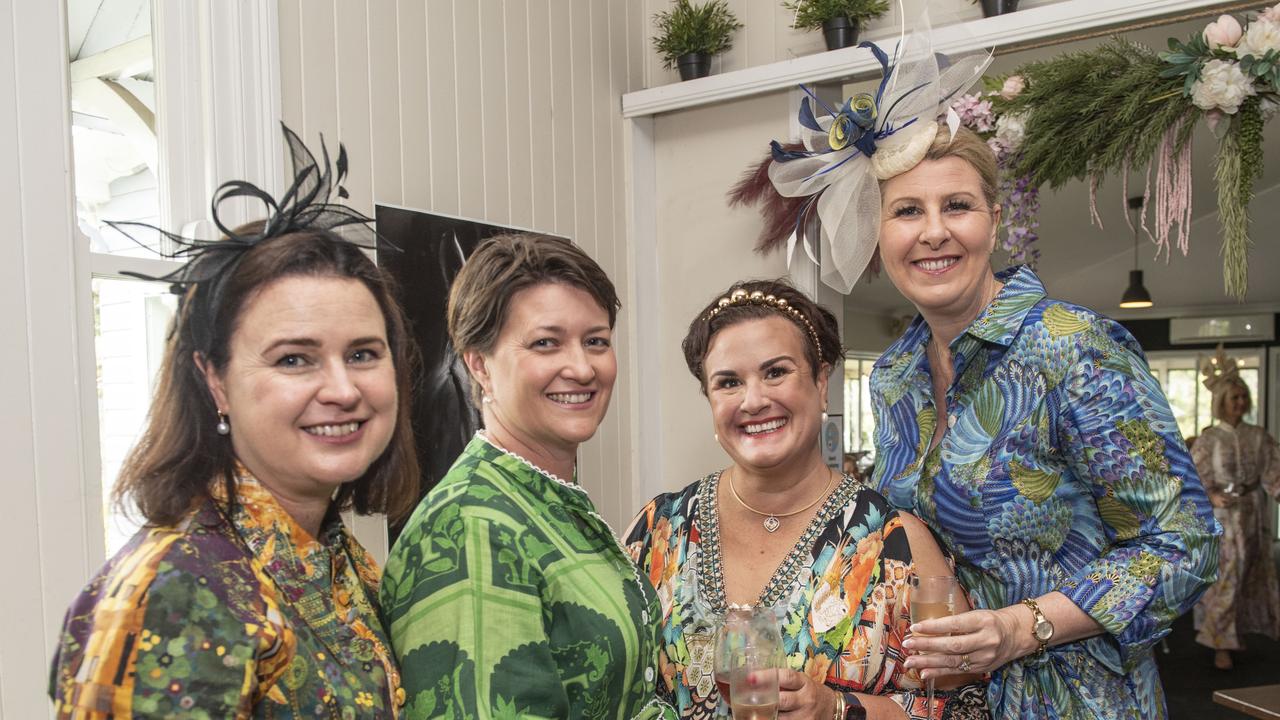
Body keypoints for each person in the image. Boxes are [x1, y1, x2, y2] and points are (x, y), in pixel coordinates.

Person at [49, 127, 420, 716]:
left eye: (362, 354)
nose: (344, 389)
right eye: (294, 359)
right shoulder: (176, 590)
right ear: (214, 379)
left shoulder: (342, 561)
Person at [626, 279, 989, 720]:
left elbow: (966, 707)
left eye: (775, 372)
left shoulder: (896, 548)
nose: (753, 400)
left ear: (821, 382)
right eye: (728, 382)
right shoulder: (657, 530)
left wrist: (838, 708)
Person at [380, 234, 674, 719]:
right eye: (546, 343)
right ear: (480, 366)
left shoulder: (543, 497)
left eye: (595, 341)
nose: (581, 367)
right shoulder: (470, 528)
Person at [1192, 347, 1280, 670]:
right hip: (1222, 521)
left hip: (1253, 515)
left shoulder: (1260, 437)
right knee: (1225, 575)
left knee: (1249, 573)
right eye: (1234, 398)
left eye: (1244, 397)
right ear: (1221, 402)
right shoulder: (1209, 440)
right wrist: (1211, 496)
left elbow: (1274, 474)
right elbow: (1193, 481)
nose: (1240, 403)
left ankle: (1236, 633)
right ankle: (1219, 642)